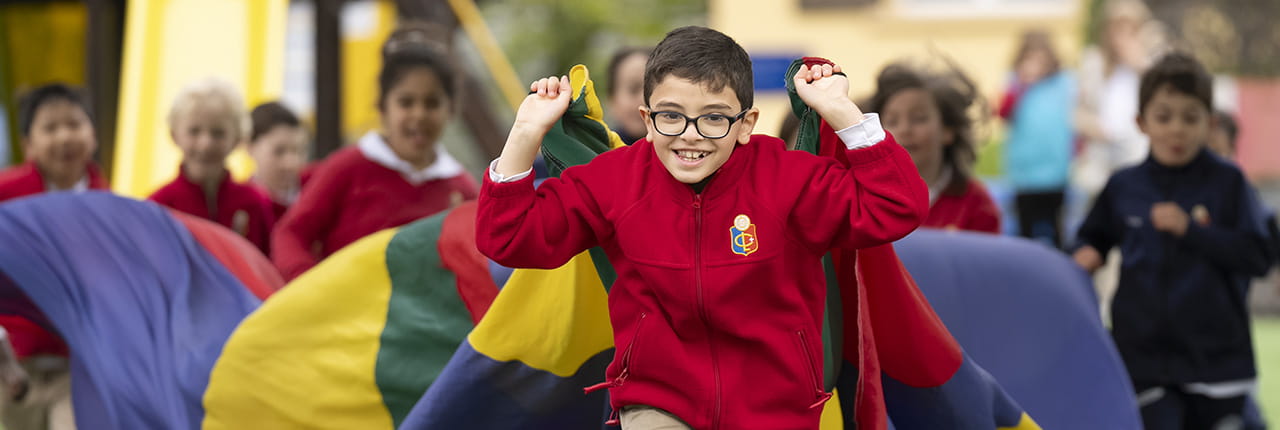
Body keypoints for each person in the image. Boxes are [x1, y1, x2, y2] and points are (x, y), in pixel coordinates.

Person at [475, 26, 928, 430]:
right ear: (647, 119)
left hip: (776, 408)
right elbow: (508, 237)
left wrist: (840, 109)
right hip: (659, 402)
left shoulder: (787, 179)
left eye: (714, 117)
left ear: (747, 123)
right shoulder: (615, 180)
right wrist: (526, 131)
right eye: (671, 115)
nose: (690, 135)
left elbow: (897, 206)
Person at [1072, 52, 1271, 430]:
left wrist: (1192, 231)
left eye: (1190, 117)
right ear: (1141, 122)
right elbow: (1091, 237)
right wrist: (1086, 254)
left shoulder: (1229, 183)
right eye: (1164, 117)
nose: (1177, 129)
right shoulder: (1123, 186)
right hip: (1143, 361)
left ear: (1210, 123)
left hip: (1217, 365)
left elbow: (1258, 255)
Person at [272, 44, 478, 280]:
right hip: (346, 310)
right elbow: (291, 233)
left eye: (431, 103)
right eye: (406, 102)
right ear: (382, 107)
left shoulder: (463, 189)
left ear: (450, 109)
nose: (419, 114)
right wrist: (308, 286)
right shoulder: (347, 167)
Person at [863, 60, 1001, 233]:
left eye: (919, 118)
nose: (905, 130)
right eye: (892, 121)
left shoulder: (977, 204)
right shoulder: (866, 198)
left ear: (948, 130)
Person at [149, 79, 276, 255]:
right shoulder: (158, 206)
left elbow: (270, 267)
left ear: (237, 139)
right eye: (194, 131)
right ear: (174, 134)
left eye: (218, 133)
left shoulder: (254, 202)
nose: (205, 144)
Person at [999, 30, 1076, 247]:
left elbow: (1076, 115)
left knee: (1056, 229)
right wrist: (1021, 85)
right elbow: (1003, 114)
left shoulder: (1063, 81)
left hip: (1055, 170)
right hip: (1025, 172)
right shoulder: (1014, 81)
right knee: (1025, 230)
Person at [0, 84, 108, 201]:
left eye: (74, 124)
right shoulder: (6, 196)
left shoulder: (109, 197)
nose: (65, 138)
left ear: (94, 135)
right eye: (50, 128)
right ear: (28, 145)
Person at [247, 101, 307, 219]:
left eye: (298, 151)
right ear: (250, 147)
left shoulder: (316, 197)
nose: (290, 163)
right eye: (279, 151)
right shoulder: (243, 207)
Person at [606, 47, 652, 145]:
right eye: (633, 89)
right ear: (612, 100)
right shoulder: (595, 153)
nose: (643, 100)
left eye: (651, 90)